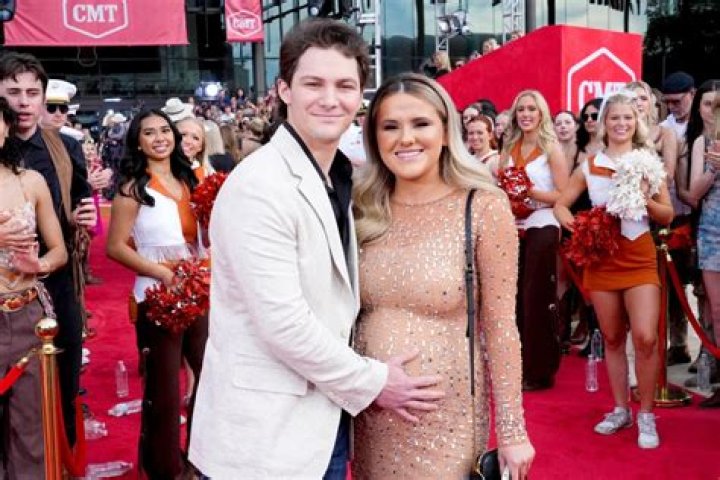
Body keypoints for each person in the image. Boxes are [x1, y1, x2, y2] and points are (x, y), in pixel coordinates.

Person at [189, 19, 444, 479]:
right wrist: (375, 381)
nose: (330, 99)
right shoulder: (260, 185)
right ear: (283, 90)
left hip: (320, 422)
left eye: (344, 85)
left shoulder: (339, 176)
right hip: (263, 441)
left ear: (360, 96)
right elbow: (283, 324)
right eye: (313, 84)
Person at [352, 72, 534, 480]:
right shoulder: (362, 208)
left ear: (446, 132)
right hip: (370, 414)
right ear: (374, 138)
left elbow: (501, 327)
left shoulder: (483, 207)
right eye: (390, 127)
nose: (406, 139)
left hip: (446, 418)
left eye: (420, 123)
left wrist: (512, 430)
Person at [554, 91, 673, 448]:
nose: (621, 123)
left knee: (646, 337)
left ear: (637, 122)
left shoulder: (648, 162)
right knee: (612, 337)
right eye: (614, 117)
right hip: (602, 260)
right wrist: (579, 228)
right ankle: (621, 409)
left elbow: (667, 214)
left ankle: (647, 414)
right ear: (604, 123)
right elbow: (561, 205)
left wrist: (645, 198)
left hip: (639, 256)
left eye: (628, 117)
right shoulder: (590, 165)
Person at [0, 52, 96, 447]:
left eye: (32, 93)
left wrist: (83, 218)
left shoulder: (65, 147)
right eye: (13, 92)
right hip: (7, 290)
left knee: (64, 379)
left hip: (56, 280)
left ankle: (65, 461)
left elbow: (79, 204)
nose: (23, 102)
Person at [106, 109, 208, 479]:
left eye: (165, 130)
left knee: (210, 379)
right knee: (164, 392)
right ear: (137, 142)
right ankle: (164, 468)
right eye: (149, 132)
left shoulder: (191, 179)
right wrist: (161, 272)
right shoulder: (131, 189)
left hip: (197, 290)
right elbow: (115, 247)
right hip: (155, 296)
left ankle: (202, 458)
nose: (160, 138)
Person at [0, 96, 67, 479]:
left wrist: (38, 265)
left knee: (32, 427)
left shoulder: (31, 181)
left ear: (6, 126)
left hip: (28, 315)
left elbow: (58, 250)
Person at [500, 90, 569, 391]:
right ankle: (515, 365)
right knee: (513, 297)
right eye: (521, 109)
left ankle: (540, 370)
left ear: (542, 114)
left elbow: (564, 195)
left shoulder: (551, 148)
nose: (526, 114)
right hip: (512, 224)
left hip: (542, 221)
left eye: (531, 109)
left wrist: (529, 192)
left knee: (535, 296)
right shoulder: (509, 146)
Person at [687, 80, 720, 406]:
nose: (713, 111)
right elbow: (693, 194)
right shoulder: (702, 142)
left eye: (718, 105)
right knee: (716, 309)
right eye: (708, 104)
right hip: (712, 230)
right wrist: (713, 169)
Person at [577, 98, 604, 164]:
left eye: (595, 116)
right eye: (585, 117)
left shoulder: (615, 146)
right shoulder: (576, 146)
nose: (589, 120)